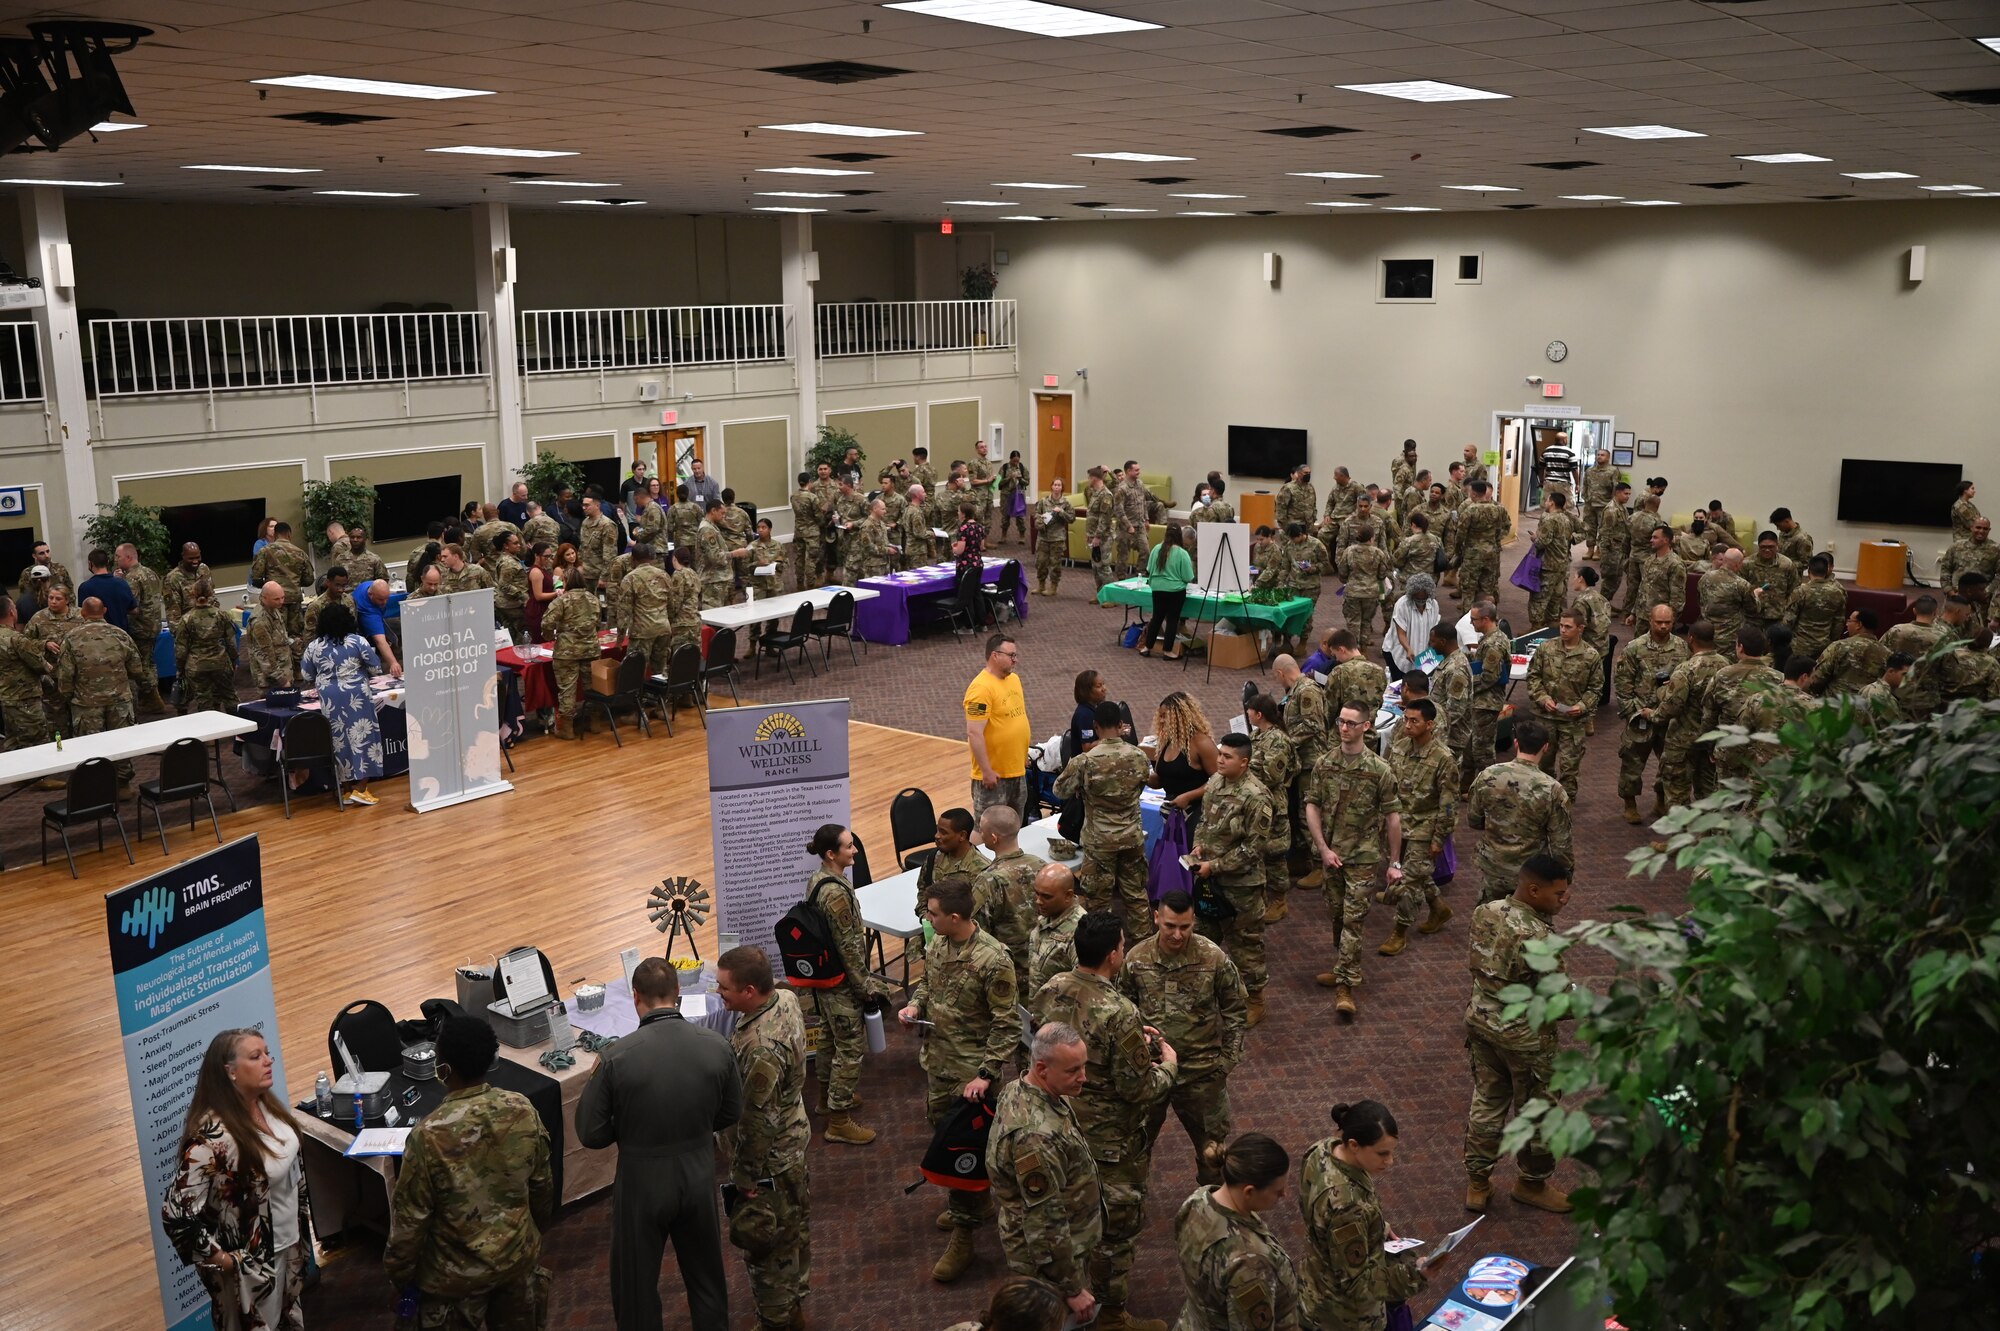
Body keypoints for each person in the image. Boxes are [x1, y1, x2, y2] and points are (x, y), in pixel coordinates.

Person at [1031, 911, 1178, 1331]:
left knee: (1065, 1213)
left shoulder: (1050, 988)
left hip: (1058, 1123)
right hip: (1111, 1141)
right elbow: (1138, 1088)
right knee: (1117, 1229)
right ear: (1115, 953)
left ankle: (1062, 1292)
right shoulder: (1120, 1011)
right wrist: (1168, 1064)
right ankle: (1112, 1315)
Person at [578, 957, 743, 1331]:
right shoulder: (717, 1045)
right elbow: (732, 1110)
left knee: (636, 1289)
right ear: (679, 993)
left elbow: (591, 1132)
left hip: (641, 1181)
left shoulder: (616, 1057)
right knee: (707, 1281)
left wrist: (629, 1129)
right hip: (698, 1173)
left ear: (635, 997)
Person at [383, 1016, 552, 1330]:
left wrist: (400, 1279)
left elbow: (409, 1225)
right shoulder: (522, 1110)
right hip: (516, 1264)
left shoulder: (428, 1135)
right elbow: (542, 1188)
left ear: (443, 1068)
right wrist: (527, 1239)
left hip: (454, 1283)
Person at [899, 877, 1020, 1283]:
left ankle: (966, 1236)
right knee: (947, 1140)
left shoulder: (994, 959)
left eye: (932, 914)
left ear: (954, 917)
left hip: (972, 1076)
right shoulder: (938, 944)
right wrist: (914, 1007)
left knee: (964, 1148)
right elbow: (928, 985)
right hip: (938, 1063)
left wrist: (986, 1074)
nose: (926, 918)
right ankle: (974, 1201)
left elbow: (1006, 1025)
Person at [162, 1029, 310, 1331]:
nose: (269, 1061)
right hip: (252, 1270)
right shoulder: (212, 1138)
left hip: (289, 1247)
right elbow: (175, 1214)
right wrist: (224, 1262)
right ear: (230, 1072)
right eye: (256, 1057)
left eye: (267, 1053)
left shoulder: (266, 1105)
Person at [1465, 854, 1576, 1214]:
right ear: (1533, 889)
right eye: (1558, 893)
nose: (1564, 899)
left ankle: (1477, 1184)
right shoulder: (1540, 937)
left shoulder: (1486, 911)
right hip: (1525, 1038)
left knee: (1487, 1101)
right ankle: (1532, 1183)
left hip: (1481, 1021)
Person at [712, 947, 812, 1331]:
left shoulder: (761, 1048)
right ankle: (795, 1305)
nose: (719, 993)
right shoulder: (784, 998)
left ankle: (777, 1320)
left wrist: (745, 1178)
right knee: (795, 1229)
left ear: (749, 991)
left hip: (769, 1161)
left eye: (724, 988)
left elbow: (758, 1121)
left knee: (766, 1247)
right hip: (793, 1142)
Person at [1120, 891, 1247, 1177]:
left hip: (1202, 1074)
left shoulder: (1213, 958)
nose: (1177, 935)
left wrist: (1227, 1061)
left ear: (1194, 922)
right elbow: (1123, 1013)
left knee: (1213, 1156)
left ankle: (1212, 1212)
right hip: (1150, 1071)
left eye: (1185, 927)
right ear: (1156, 917)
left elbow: (1237, 1010)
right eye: (1169, 926)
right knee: (1135, 1150)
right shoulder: (1136, 959)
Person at [988, 1023, 1102, 1326]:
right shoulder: (1035, 1138)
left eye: (1084, 1066)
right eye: (1073, 1070)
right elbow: (1044, 1220)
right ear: (1041, 1068)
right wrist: (1071, 1287)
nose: (1083, 1077)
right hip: (1049, 1261)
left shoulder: (1022, 1087)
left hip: (1058, 1244)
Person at [1304, 703, 1403, 1017]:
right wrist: (1322, 848)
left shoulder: (1379, 770)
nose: (1344, 728)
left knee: (1353, 921)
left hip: (1363, 858)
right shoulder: (1325, 763)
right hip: (1331, 857)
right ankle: (1342, 964)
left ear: (1367, 726)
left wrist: (1394, 862)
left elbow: (1393, 818)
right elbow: (1312, 805)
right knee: (1336, 916)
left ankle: (1346, 985)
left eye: (1351, 723)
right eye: (1340, 722)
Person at [1299, 1100, 1431, 1331]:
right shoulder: (1346, 1206)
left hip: (1317, 1285)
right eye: (1382, 1153)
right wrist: (1416, 1273)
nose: (1390, 1161)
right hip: (1344, 1317)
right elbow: (1358, 1284)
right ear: (1354, 1145)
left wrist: (1376, 1225)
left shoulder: (1323, 1149)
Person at [1173, 1133, 1300, 1331]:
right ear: (1249, 1191)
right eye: (1277, 1190)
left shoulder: (1197, 1201)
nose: (1284, 1194)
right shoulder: (1250, 1265)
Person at [803, 824, 880, 1145]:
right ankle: (838, 1120)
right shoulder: (835, 892)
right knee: (849, 1048)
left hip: (825, 979)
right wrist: (866, 988)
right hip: (841, 984)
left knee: (829, 1040)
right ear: (831, 854)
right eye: (849, 847)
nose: (856, 851)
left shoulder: (819, 880)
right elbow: (848, 946)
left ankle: (825, 1099)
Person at [1055, 699, 1154, 942]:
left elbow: (1060, 790)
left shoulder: (1085, 761)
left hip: (1099, 842)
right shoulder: (1138, 756)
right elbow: (1142, 786)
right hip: (1131, 836)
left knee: (1098, 901)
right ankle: (1143, 944)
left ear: (1096, 726)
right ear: (1121, 725)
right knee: (1136, 894)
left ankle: (1104, 948)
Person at [1186, 734, 1272, 1013]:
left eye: (1227, 756)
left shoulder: (1256, 796)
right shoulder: (1215, 783)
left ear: (1244, 762)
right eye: (1220, 754)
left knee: (1245, 946)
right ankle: (1203, 997)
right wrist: (1199, 846)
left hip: (1242, 887)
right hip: (1211, 881)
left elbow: (1254, 848)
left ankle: (1255, 1001)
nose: (1220, 759)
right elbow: (1204, 821)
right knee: (1201, 942)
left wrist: (1217, 866)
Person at [1382, 698, 1456, 956]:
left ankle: (1399, 933)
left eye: (1415, 720)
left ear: (1430, 724)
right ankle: (1438, 907)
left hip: (1426, 826)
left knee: (1409, 880)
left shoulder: (1443, 759)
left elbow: (1448, 804)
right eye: (1406, 719)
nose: (1408, 724)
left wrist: (1439, 838)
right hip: (1400, 824)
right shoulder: (1400, 747)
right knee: (1418, 872)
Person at [299, 601, 386, 806]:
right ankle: (362, 789)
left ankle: (346, 791)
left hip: (330, 699)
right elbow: (375, 668)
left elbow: (305, 674)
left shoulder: (314, 646)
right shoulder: (358, 642)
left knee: (339, 742)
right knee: (364, 739)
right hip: (357, 695)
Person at [1615, 603, 1690, 823]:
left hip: (1668, 717)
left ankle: (1660, 800)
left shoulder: (1681, 648)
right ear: (1650, 621)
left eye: (1668, 622)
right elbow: (1623, 683)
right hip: (1640, 715)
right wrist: (1631, 712)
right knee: (1632, 762)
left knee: (1669, 763)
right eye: (1659, 622)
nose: (1664, 626)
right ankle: (1630, 804)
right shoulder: (1635, 648)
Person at [1524, 609, 1602, 802]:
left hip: (1572, 722)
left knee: (1570, 767)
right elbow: (1533, 676)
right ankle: (1542, 802)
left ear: (1580, 628)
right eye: (1561, 625)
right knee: (1542, 765)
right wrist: (1542, 698)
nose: (1563, 630)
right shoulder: (1546, 648)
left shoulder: (1591, 656)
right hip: (1545, 719)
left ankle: (1564, 805)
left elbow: (1596, 688)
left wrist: (1583, 706)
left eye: (1568, 627)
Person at [974, 805, 1046, 997]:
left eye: (982, 830)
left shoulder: (988, 880)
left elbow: (979, 934)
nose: (980, 833)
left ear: (993, 838)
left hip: (1010, 972)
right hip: (1044, 964)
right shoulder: (1041, 865)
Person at [965, 632, 1031, 820]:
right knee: (987, 828)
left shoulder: (1014, 680)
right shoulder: (980, 689)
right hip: (994, 777)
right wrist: (986, 770)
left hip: (1017, 771)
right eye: (1011, 655)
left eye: (1015, 655)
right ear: (995, 655)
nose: (1015, 660)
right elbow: (974, 732)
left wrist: (1023, 753)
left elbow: (1017, 719)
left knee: (1014, 824)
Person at [541, 568, 599, 740]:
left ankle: (567, 728)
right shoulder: (593, 598)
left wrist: (550, 637)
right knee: (593, 686)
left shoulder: (562, 600)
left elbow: (546, 622)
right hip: (591, 648)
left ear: (567, 582)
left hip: (567, 651)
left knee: (567, 689)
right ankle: (594, 721)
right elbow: (597, 620)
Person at [1150, 690, 1219, 832]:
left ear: (1179, 717)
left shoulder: (1201, 743)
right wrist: (1140, 774)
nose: (1161, 721)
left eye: (1165, 716)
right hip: (1173, 812)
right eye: (1160, 716)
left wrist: (1189, 796)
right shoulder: (1166, 742)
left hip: (1197, 814)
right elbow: (1161, 780)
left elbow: (1219, 779)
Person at [175, 579, 240, 717]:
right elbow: (231, 643)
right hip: (221, 662)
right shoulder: (222, 615)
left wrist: (180, 668)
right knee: (229, 697)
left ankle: (211, 734)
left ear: (192, 595)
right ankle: (239, 732)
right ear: (211, 594)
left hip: (196, 666)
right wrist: (234, 660)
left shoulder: (186, 619)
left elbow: (181, 649)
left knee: (204, 701)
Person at [1028, 862, 1087, 995]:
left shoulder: (1081, 932)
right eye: (1037, 894)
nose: (1038, 901)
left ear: (1068, 895)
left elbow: (1084, 989)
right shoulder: (1047, 915)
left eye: (1046, 896)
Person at [0, 595, 51, 751]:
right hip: (25, 698)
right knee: (37, 742)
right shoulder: (17, 639)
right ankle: (41, 775)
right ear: (11, 612)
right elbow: (39, 665)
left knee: (13, 740)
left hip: (6, 698)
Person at [1138, 523, 1193, 659]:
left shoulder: (1157, 549)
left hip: (1157, 589)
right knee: (1172, 620)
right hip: (1175, 591)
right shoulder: (1182, 553)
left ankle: (1147, 647)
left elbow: (1149, 569)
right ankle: (1167, 651)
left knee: (1156, 617)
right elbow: (1188, 576)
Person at [249, 523, 313, 635]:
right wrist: (295, 583)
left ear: (275, 534)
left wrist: (270, 587)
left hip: (273, 601)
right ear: (289, 534)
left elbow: (256, 578)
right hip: (295, 600)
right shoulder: (300, 553)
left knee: (276, 634)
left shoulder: (265, 551)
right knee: (296, 635)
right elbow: (309, 580)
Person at [1809, 607, 1889, 696]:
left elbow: (1817, 678)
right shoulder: (1886, 653)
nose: (1847, 624)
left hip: (1835, 704)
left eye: (1850, 621)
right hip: (1867, 706)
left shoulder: (1839, 646)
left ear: (1859, 625)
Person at [1383, 573, 1439, 679]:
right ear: (1411, 594)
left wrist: (1433, 648)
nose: (1421, 601)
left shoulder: (1434, 604)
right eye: (1417, 598)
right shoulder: (1402, 605)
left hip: (1423, 654)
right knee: (1401, 687)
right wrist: (1408, 649)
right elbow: (1401, 633)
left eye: (1424, 598)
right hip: (1399, 652)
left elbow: (1434, 629)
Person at [77, 546, 138, 635]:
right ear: (107, 562)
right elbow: (134, 610)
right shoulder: (122, 583)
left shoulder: (85, 587)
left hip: (97, 635)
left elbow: (82, 614)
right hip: (121, 635)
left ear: (91, 564)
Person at [351, 578, 403, 677]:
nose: (384, 602)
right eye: (380, 599)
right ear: (370, 594)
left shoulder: (367, 585)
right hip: (360, 633)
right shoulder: (369, 612)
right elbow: (380, 641)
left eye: (387, 598)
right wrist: (393, 663)